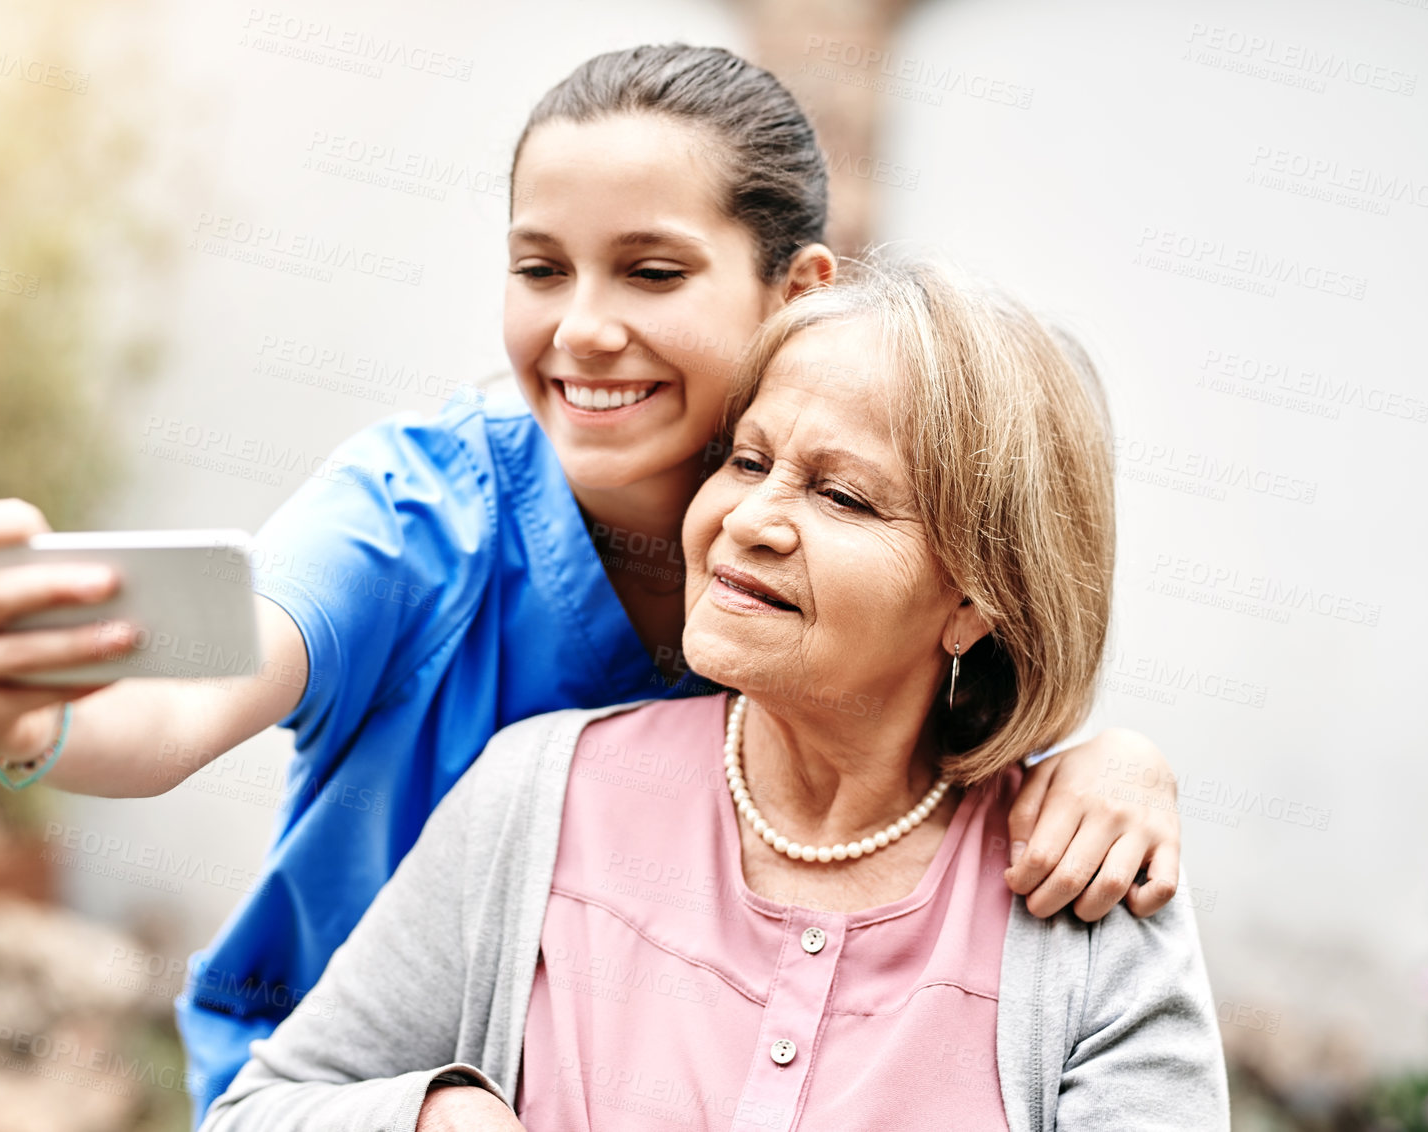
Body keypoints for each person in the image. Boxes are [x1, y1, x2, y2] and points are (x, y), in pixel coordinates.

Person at [0, 46, 1188, 1121]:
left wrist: (1109, 760)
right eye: (537, 269)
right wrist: (39, 716)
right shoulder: (421, 513)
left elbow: (962, 646)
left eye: (652, 269)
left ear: (794, 289)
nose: (580, 327)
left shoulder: (796, 546)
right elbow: (181, 704)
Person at [200, 256, 1228, 1132]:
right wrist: (431, 1116)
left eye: (841, 494)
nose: (751, 519)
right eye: (748, 459)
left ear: (974, 604)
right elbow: (262, 1109)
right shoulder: (541, 793)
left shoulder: (1087, 902)